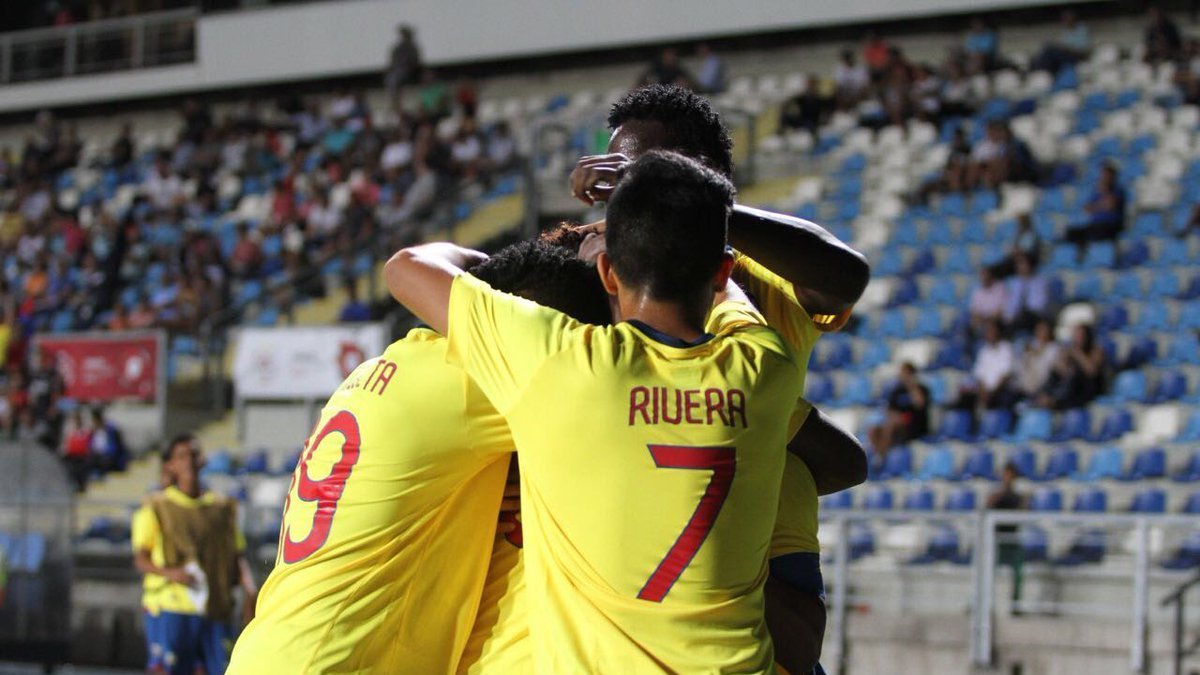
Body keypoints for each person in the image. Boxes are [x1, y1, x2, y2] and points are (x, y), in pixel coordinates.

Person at [465, 84, 869, 675]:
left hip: (755, 561)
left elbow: (843, 275)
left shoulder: (761, 273)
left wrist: (693, 206)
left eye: (637, 170)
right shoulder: (605, 265)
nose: (615, 185)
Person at [388, 150, 826, 672]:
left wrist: (564, 244)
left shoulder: (563, 362)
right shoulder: (763, 366)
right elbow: (734, 299)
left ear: (608, 274)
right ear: (721, 269)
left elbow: (406, 269)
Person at [229, 242, 612, 674]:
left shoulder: (392, 366)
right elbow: (632, 383)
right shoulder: (478, 382)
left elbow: (411, 265)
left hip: (277, 650)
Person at [132, 435, 256, 675]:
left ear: (202, 460)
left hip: (215, 606)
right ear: (170, 465)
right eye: (181, 456)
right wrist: (171, 573)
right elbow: (141, 559)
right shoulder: (157, 506)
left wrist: (249, 590)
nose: (188, 462)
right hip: (171, 605)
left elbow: (237, 556)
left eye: (193, 455)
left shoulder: (221, 508)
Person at [867, 362, 930, 458]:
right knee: (873, 429)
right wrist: (895, 416)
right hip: (897, 425)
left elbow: (919, 404)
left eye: (905, 373)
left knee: (891, 425)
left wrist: (911, 386)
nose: (901, 376)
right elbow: (889, 410)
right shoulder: (898, 390)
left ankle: (882, 458)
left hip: (914, 427)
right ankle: (879, 454)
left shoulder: (922, 389)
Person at [1036, 323, 1106, 410]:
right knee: (1054, 374)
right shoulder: (1071, 349)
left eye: (1080, 335)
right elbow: (1062, 372)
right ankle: (1045, 396)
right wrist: (1064, 360)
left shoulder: (1096, 350)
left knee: (1076, 374)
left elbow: (1092, 372)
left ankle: (1055, 400)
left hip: (1089, 388)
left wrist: (1078, 354)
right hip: (1073, 388)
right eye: (1076, 335)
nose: (1078, 338)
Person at [1065, 162, 1126, 259]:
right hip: (1095, 224)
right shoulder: (1097, 191)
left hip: (1110, 226)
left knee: (1097, 231)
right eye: (1103, 175)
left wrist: (1097, 206)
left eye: (1106, 175)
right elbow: (1087, 208)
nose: (1104, 178)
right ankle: (1079, 257)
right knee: (1071, 233)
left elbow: (1110, 205)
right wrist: (1101, 205)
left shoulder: (1118, 190)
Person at [987, 462, 1026, 613]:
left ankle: (1015, 606)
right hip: (997, 540)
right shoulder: (997, 495)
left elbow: (1022, 513)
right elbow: (987, 508)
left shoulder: (1017, 496)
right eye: (1005, 474)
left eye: (1010, 474)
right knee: (987, 573)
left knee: (1018, 574)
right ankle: (980, 603)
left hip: (1012, 540)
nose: (1007, 477)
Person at [1002, 252, 1054, 334]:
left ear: (1030, 265)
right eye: (1018, 264)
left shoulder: (1040, 283)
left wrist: (1025, 312)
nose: (1020, 267)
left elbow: (1040, 305)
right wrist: (1009, 316)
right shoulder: (1014, 283)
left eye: (1022, 264)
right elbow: (1010, 304)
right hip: (1017, 318)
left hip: (1033, 317)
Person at [972, 319, 1017, 411]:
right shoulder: (983, 351)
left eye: (992, 331)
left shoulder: (1006, 349)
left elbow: (1005, 375)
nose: (989, 333)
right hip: (985, 392)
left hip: (1001, 391)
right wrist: (983, 391)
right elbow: (980, 375)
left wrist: (992, 393)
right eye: (988, 331)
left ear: (998, 332)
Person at [1016, 319, 1061, 400]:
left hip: (1044, 386)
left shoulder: (1054, 348)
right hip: (1027, 385)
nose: (1041, 333)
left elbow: (1049, 367)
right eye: (1039, 329)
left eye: (1044, 330)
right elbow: (1023, 366)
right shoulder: (1030, 346)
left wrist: (1038, 353)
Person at [384, 24, 422, 107]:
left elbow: (416, 61)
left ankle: (395, 100)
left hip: (408, 71)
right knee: (390, 79)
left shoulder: (412, 48)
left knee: (393, 79)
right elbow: (392, 62)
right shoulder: (397, 48)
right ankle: (395, 100)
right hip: (398, 71)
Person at [969, 267, 1008, 335]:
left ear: (991, 276)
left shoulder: (1000, 288)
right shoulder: (977, 292)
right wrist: (980, 320)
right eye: (982, 276)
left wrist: (987, 319)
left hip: (996, 322)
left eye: (986, 275)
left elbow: (1000, 312)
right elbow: (974, 312)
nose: (984, 278)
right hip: (981, 322)